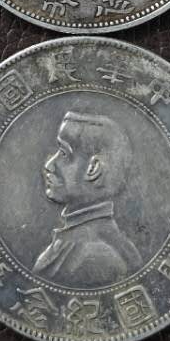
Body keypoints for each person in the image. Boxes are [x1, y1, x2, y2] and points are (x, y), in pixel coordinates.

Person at [33, 110, 141, 287]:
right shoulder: (74, 242)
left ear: (94, 168)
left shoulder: (97, 257)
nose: (49, 165)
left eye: (64, 153)